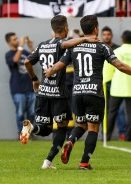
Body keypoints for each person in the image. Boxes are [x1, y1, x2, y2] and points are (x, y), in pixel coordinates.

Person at [44, 15, 131, 170]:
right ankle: (84, 162)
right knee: (93, 128)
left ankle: (70, 141)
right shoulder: (102, 47)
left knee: (81, 124)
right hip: (94, 93)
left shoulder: (74, 47)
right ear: (96, 29)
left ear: (83, 30)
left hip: (77, 93)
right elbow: (120, 66)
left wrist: (50, 71)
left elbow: (60, 64)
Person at [19, 15, 99, 169]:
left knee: (45, 129)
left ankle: (32, 128)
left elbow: (27, 61)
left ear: (52, 28)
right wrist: (85, 39)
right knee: (62, 128)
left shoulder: (42, 45)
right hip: (59, 94)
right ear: (65, 28)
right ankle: (48, 162)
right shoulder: (62, 43)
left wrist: (34, 79)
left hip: (43, 92)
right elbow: (66, 44)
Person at [107, 30, 131, 142]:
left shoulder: (116, 52)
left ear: (122, 39)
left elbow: (110, 70)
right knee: (130, 114)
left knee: (111, 112)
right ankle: (128, 138)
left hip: (117, 86)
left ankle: (107, 136)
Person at [5, 32, 36, 136]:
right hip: (17, 89)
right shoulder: (9, 54)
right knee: (20, 113)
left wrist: (31, 46)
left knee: (31, 113)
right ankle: (21, 134)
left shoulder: (25, 52)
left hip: (30, 88)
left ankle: (27, 133)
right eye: (14, 39)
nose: (17, 40)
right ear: (8, 42)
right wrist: (21, 46)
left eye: (17, 38)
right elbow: (15, 60)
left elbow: (35, 59)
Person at [102, 26, 126, 140]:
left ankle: (122, 133)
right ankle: (105, 133)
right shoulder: (99, 47)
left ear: (111, 35)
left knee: (120, 109)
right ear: (102, 36)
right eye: (104, 34)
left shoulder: (118, 48)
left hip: (116, 82)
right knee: (103, 109)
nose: (106, 36)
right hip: (102, 82)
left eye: (108, 34)